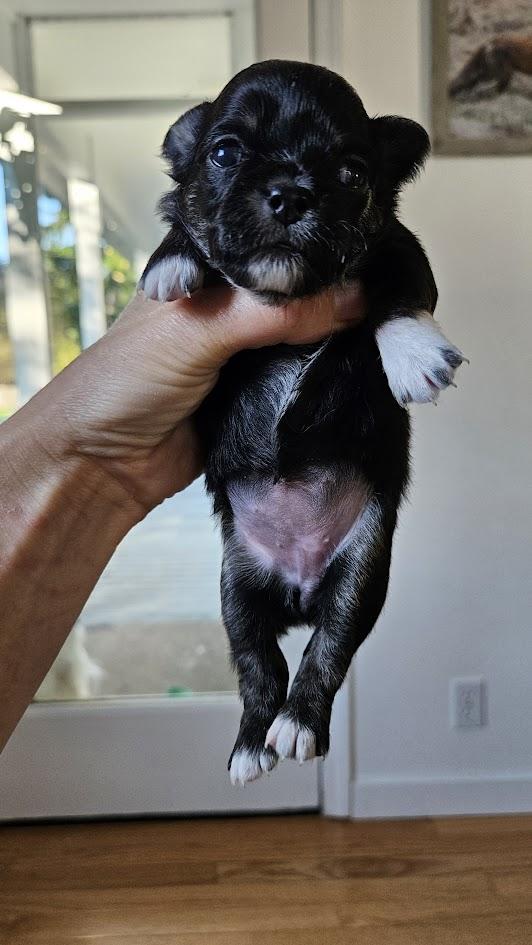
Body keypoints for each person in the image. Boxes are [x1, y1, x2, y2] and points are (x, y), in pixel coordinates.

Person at [0, 284, 364, 751]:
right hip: (262, 485)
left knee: (322, 612)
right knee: (250, 629)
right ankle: (263, 718)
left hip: (328, 483)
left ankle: (298, 711)